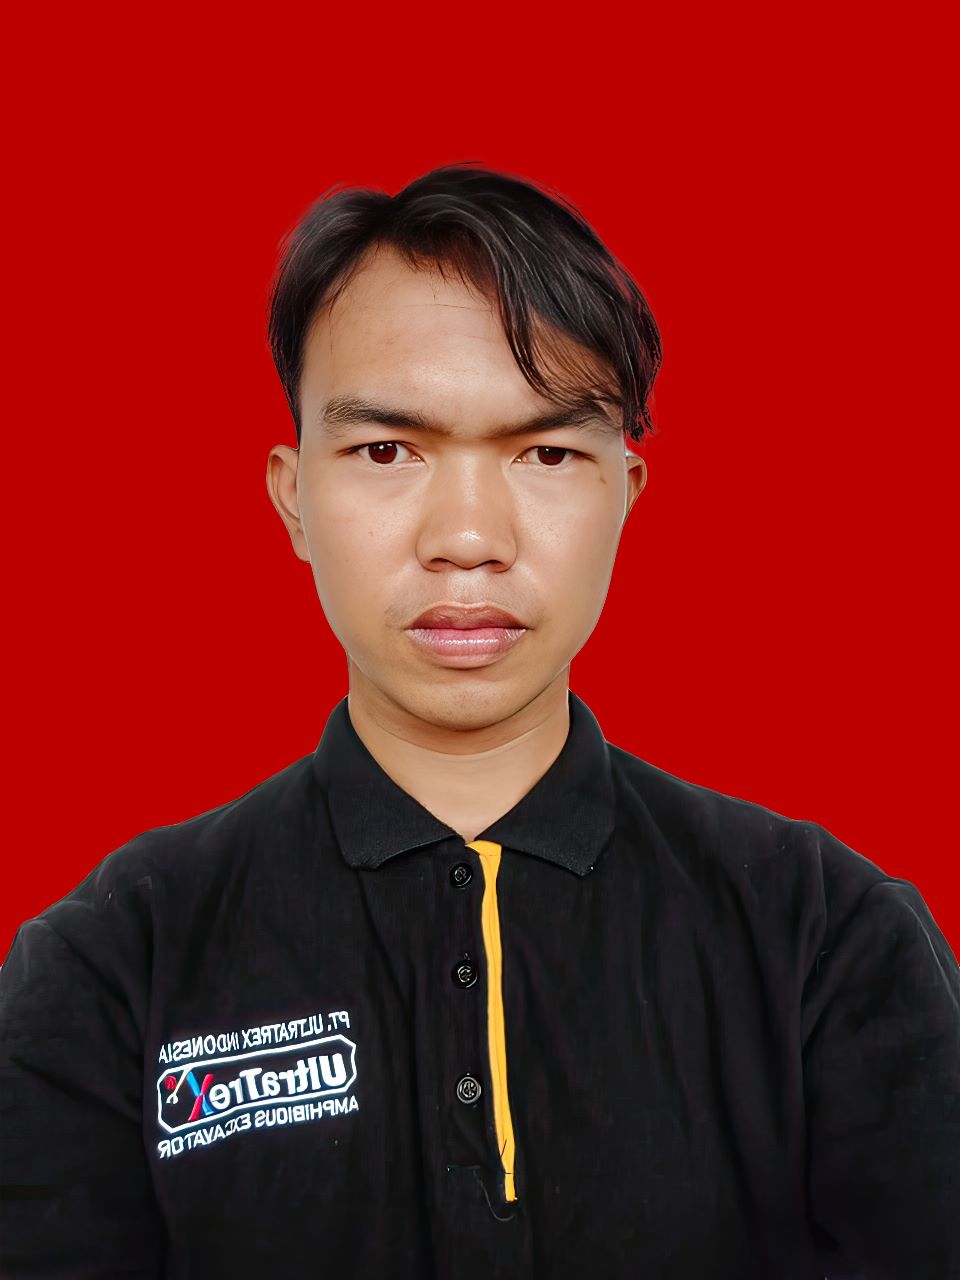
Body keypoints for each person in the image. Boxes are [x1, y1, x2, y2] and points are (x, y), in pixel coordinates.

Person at [1, 162, 957, 1279]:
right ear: (293, 495)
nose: (467, 538)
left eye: (546, 452)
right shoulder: (113, 963)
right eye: (387, 450)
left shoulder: (829, 940)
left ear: (625, 494)